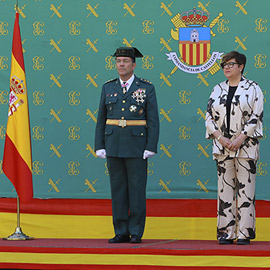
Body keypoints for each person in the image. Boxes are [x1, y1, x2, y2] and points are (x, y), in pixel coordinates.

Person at [95, 47, 159, 243]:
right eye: (118, 61)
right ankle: (120, 230)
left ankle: (136, 231)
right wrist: (99, 144)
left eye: (125, 61)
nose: (121, 64)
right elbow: (101, 118)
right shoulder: (108, 87)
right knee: (118, 188)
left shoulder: (146, 87)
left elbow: (153, 120)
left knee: (137, 189)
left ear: (134, 64)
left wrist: (151, 146)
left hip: (137, 145)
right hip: (113, 143)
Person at [205, 51, 264, 245]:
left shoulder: (253, 88)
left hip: (246, 147)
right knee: (224, 189)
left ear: (241, 67)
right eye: (224, 65)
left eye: (231, 64)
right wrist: (220, 138)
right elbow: (208, 117)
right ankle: (225, 232)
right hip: (222, 147)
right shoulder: (217, 89)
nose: (226, 67)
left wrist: (240, 138)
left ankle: (245, 233)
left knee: (246, 190)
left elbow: (256, 116)